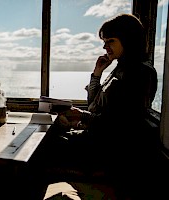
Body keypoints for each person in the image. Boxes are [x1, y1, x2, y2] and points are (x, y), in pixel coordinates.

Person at [32, 14, 160, 199]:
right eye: (105, 41)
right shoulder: (120, 68)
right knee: (44, 139)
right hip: (96, 139)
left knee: (40, 151)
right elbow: (94, 105)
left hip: (106, 149)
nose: (105, 46)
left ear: (129, 39)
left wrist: (82, 116)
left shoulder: (140, 72)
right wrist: (97, 74)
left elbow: (122, 124)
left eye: (111, 41)